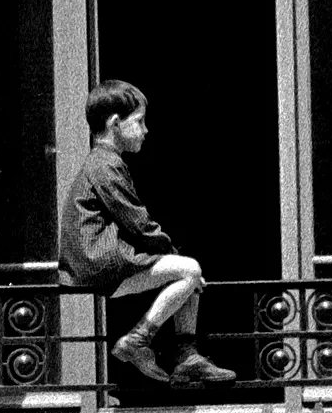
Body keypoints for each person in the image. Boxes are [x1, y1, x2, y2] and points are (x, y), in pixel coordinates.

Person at [57, 81, 237, 389]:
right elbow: (138, 223)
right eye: (139, 121)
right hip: (101, 263)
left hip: (98, 263)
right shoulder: (105, 164)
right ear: (115, 123)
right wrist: (177, 258)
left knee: (187, 277)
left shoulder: (102, 162)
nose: (145, 130)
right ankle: (137, 341)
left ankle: (186, 358)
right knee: (189, 269)